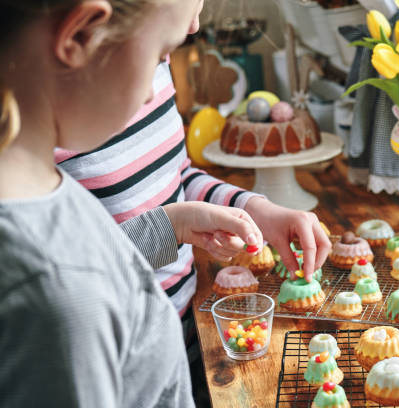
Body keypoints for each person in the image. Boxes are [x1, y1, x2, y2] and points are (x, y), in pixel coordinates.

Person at [0, 0, 263, 406]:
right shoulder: (57, 292)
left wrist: (171, 225)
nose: (151, 91)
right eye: (161, 54)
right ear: (82, 35)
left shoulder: (45, 192)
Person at [55, 4, 332, 329]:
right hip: (121, 344)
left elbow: (176, 174)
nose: (194, 27)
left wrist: (256, 210)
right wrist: (171, 227)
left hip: (189, 318)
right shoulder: (38, 125)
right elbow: (62, 277)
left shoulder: (153, 62)